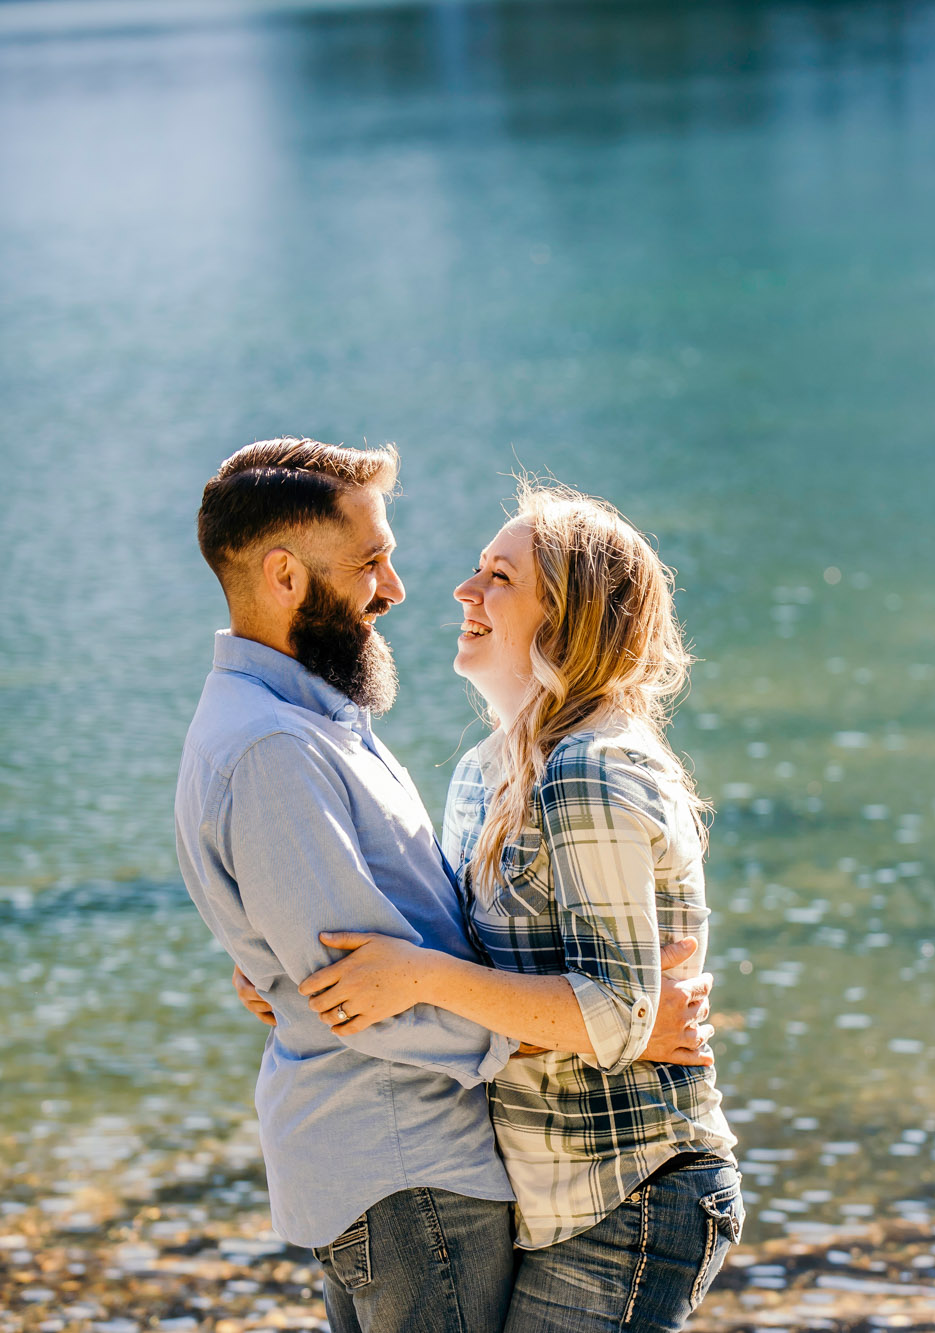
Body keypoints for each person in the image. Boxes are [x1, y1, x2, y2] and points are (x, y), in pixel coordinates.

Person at [174, 439, 713, 1333]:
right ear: (285, 577)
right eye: (370, 562)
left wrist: (293, 972)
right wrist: (607, 1031)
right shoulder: (287, 746)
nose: (402, 588)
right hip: (412, 1169)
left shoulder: (327, 725)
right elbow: (374, 991)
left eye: (494, 576)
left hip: (567, 1178)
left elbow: (411, 952)